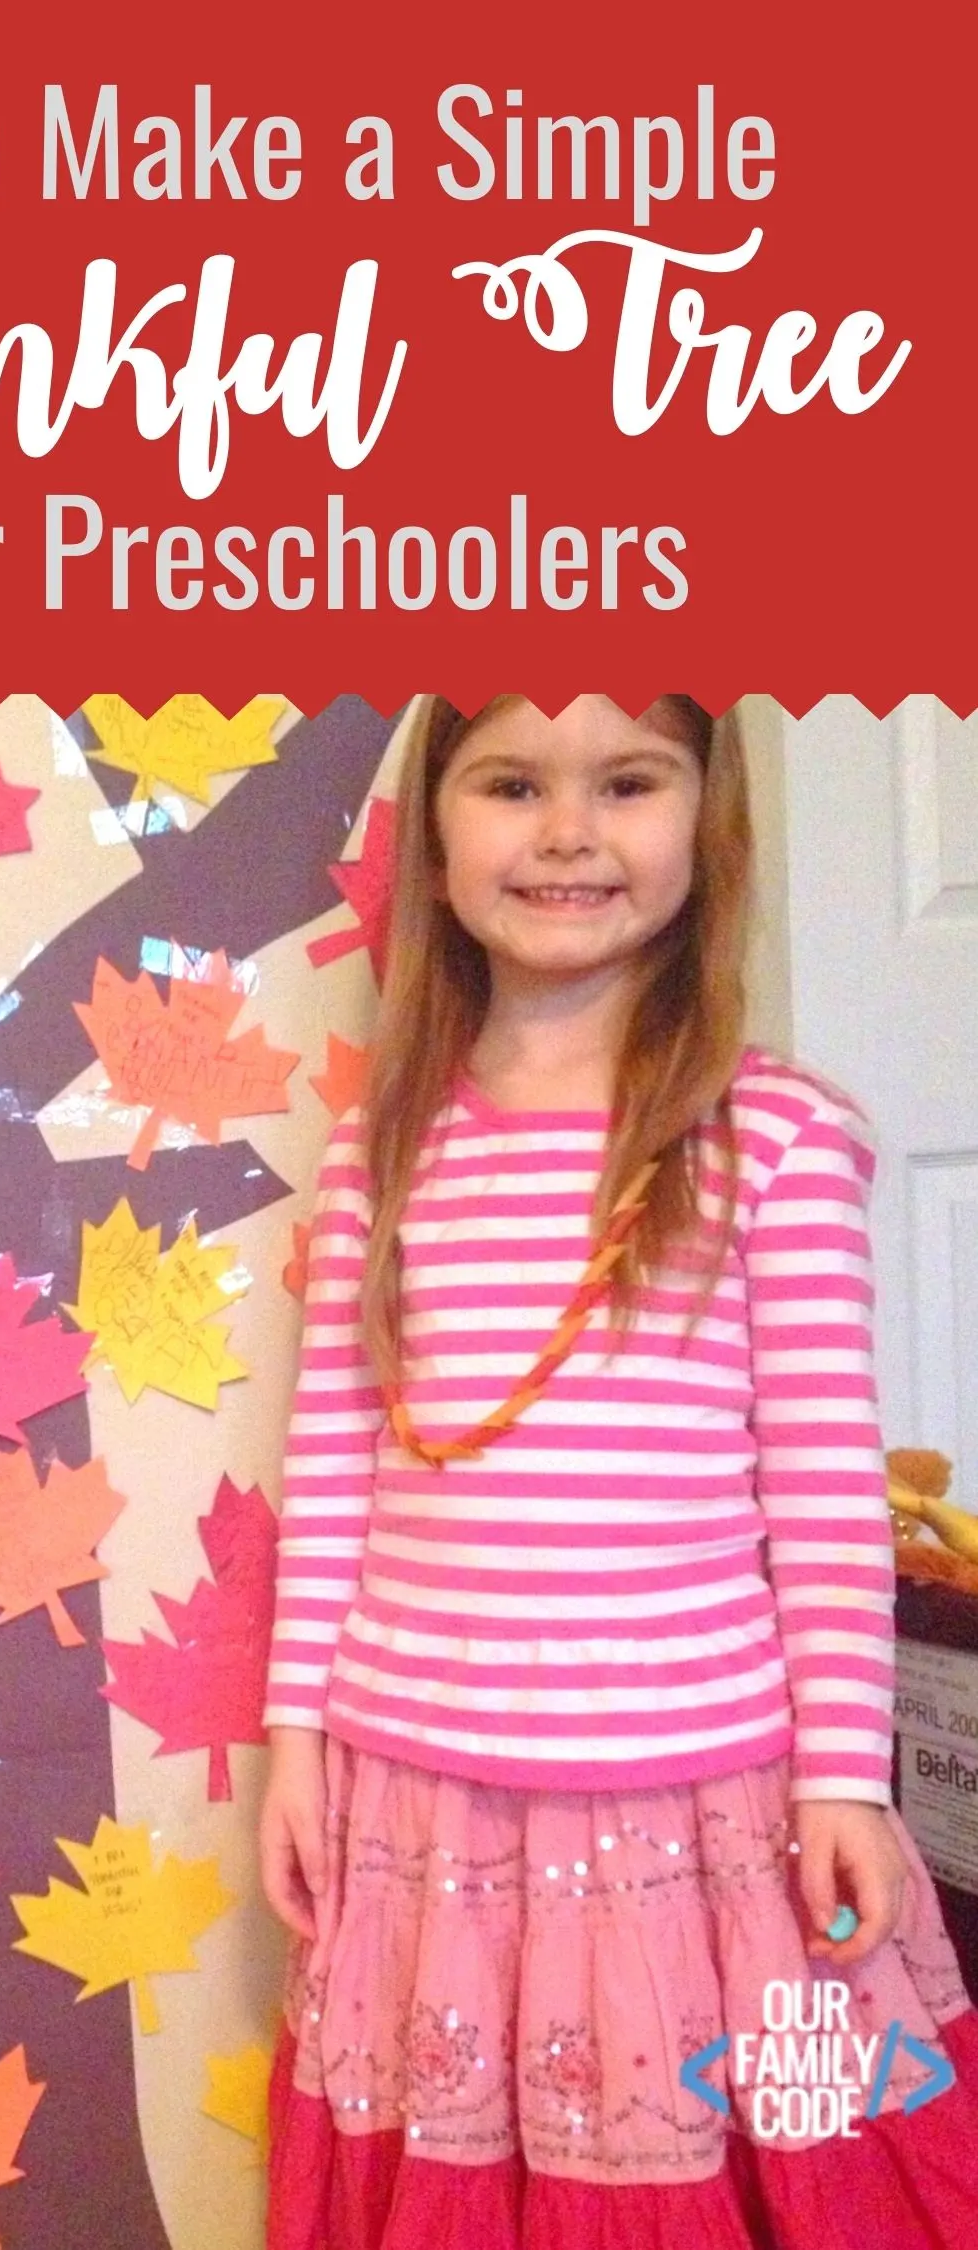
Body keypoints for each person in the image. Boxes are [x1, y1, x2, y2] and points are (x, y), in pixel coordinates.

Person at [259, 695, 978, 2249]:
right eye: (513, 782)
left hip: (699, 1814)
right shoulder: (375, 1154)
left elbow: (829, 1499)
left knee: (769, 2156)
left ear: (702, 822)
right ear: (436, 837)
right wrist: (297, 1741)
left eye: (627, 781)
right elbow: (334, 1467)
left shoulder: (770, 1139)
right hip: (421, 1805)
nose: (570, 828)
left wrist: (845, 1770)